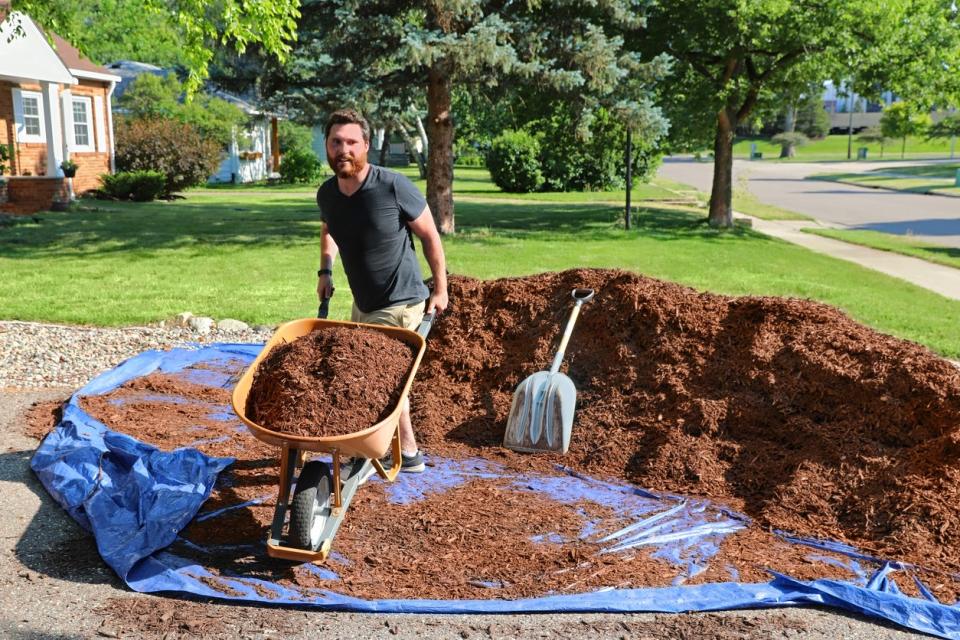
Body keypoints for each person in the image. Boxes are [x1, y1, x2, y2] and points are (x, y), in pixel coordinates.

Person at [315, 108, 448, 473]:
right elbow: (329, 230)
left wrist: (440, 288)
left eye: (351, 142)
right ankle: (404, 452)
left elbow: (430, 236)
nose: (344, 149)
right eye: (336, 142)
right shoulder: (327, 194)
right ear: (327, 147)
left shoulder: (392, 186)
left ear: (366, 146)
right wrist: (325, 270)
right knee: (372, 375)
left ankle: (395, 451)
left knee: (381, 378)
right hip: (364, 302)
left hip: (402, 299)